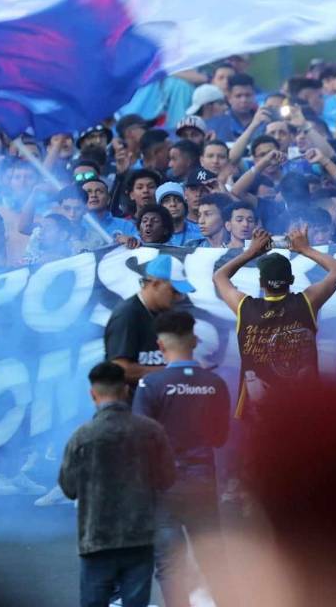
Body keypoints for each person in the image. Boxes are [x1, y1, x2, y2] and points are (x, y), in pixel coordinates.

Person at [132, 311, 231, 606]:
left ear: (161, 347)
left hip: (164, 486)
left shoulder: (150, 386)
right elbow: (219, 438)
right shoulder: (215, 384)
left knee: (171, 566)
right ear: (195, 340)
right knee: (213, 560)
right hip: (203, 483)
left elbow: (140, 441)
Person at [59, 363, 177, 607]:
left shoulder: (81, 437)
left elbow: (68, 488)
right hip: (139, 537)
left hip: (97, 539)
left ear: (93, 394)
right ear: (126, 391)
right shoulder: (152, 431)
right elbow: (167, 479)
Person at [212, 227, 336, 420]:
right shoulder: (307, 302)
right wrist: (305, 249)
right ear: (291, 280)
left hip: (257, 411)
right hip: (303, 409)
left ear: (260, 282)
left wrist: (251, 252)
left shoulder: (245, 307)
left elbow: (219, 276)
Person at [105, 254, 195, 386]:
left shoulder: (165, 312)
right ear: (156, 284)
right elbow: (120, 369)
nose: (179, 297)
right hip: (135, 403)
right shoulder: (127, 314)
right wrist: (175, 373)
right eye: (174, 291)